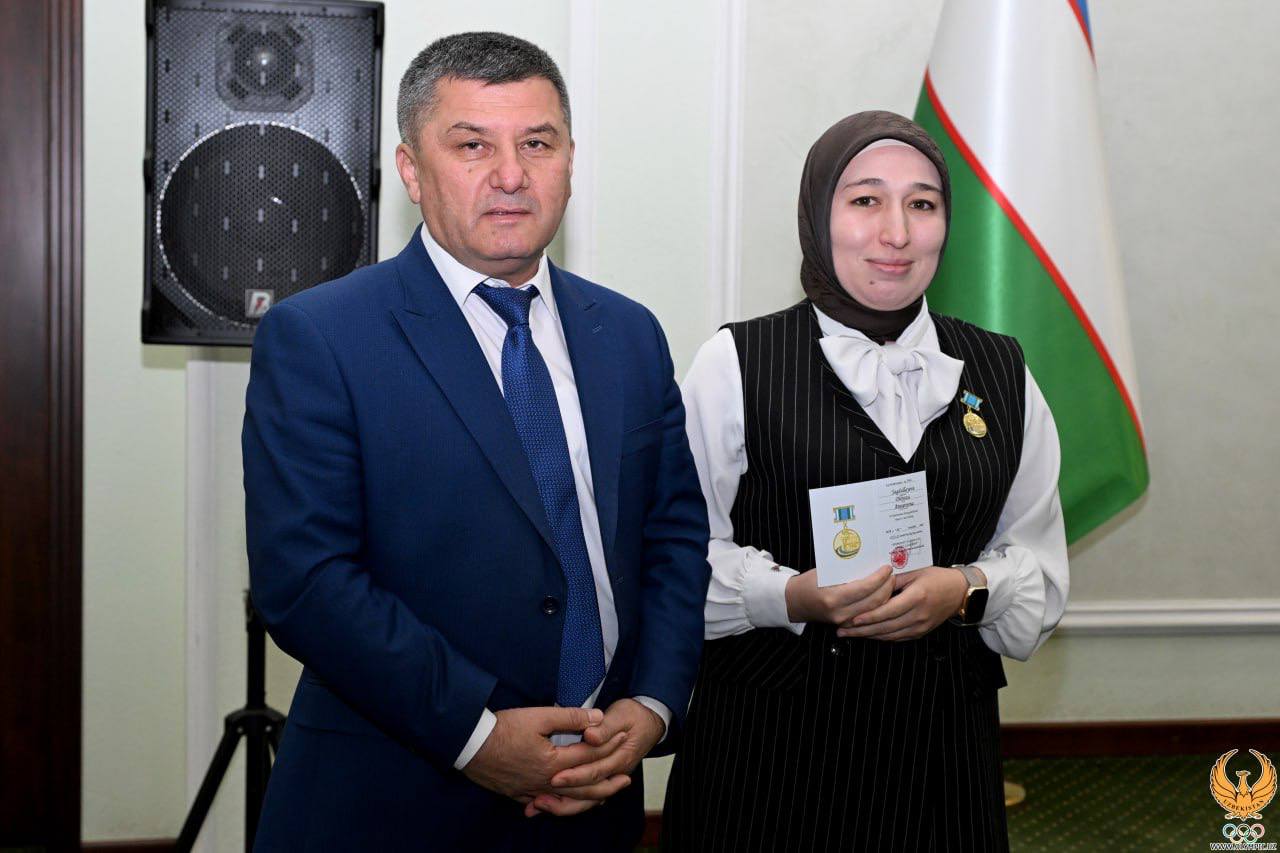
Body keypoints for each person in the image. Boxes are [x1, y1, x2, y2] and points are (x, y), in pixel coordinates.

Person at [242, 32, 710, 852]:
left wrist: (654, 701)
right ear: (411, 170)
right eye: (472, 146)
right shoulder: (320, 336)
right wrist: (477, 733)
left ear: (570, 161)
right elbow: (306, 580)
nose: (511, 175)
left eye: (538, 143)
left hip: (596, 795)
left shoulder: (630, 333)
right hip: (393, 802)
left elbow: (673, 536)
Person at [662, 110, 1069, 851]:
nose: (897, 232)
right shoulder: (736, 362)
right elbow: (677, 556)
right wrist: (790, 595)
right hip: (768, 757)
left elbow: (1039, 563)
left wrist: (967, 589)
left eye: (922, 204)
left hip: (943, 758)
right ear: (818, 216)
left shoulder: (1003, 369)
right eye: (865, 200)